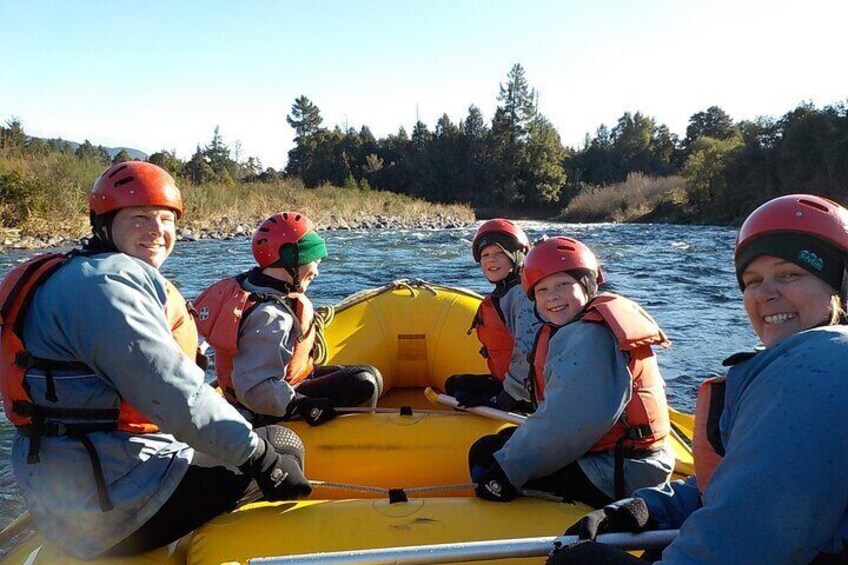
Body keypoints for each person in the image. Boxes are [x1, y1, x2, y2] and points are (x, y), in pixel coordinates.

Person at [0, 162, 312, 560]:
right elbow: (171, 391)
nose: (156, 231)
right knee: (280, 443)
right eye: (139, 218)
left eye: (166, 219)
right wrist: (259, 455)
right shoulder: (106, 288)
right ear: (105, 224)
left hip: (78, 483)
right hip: (115, 505)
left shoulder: (71, 273)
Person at [550, 194, 848, 564]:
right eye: (752, 280)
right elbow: (742, 483)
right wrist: (648, 507)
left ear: (839, 287)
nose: (766, 294)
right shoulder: (806, 361)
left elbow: (748, 535)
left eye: (790, 274)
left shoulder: (821, 363)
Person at [468, 236, 674, 507]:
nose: (552, 296)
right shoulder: (581, 326)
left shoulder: (591, 336)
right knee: (499, 446)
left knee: (487, 457)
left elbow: (566, 423)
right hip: (619, 458)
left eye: (563, 284)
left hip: (622, 472)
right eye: (542, 290)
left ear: (587, 285)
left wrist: (507, 472)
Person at [193, 211, 382, 427]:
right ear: (292, 262)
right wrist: (300, 404)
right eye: (314, 263)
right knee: (364, 381)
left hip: (281, 385)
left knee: (368, 373)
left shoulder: (249, 285)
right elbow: (254, 389)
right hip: (263, 410)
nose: (317, 272)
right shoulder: (271, 316)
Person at [444, 219, 541, 413]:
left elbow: (527, 352)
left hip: (528, 392)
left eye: (499, 253)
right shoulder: (504, 294)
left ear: (517, 257)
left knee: (460, 393)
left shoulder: (522, 295)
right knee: (455, 385)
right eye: (485, 255)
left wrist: (504, 399)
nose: (491, 260)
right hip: (512, 383)